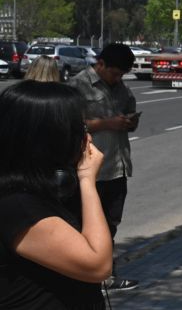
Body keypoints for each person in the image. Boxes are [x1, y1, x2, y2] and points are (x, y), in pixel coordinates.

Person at [0, 80, 113, 309]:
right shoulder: (19, 207)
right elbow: (97, 265)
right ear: (49, 139)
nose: (87, 138)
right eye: (80, 129)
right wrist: (87, 180)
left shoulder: (41, 190)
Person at [67, 43, 139, 292]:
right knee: (83, 223)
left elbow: (129, 109)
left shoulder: (121, 89)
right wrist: (106, 123)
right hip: (90, 171)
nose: (117, 78)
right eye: (115, 73)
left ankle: (104, 273)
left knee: (110, 223)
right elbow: (70, 125)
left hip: (117, 168)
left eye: (121, 75)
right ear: (101, 64)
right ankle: (84, 275)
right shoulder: (78, 86)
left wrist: (129, 122)